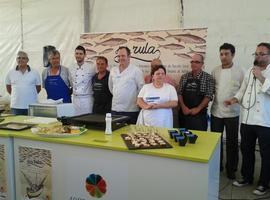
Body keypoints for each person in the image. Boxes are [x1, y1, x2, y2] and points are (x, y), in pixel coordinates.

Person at [225, 43, 270, 195]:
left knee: (266, 154)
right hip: (247, 120)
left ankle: (264, 183)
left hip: (265, 121)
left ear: (269, 56)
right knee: (246, 150)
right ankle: (247, 177)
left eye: (262, 54)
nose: (258, 56)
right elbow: (243, 90)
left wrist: (261, 77)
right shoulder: (250, 71)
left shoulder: (263, 72)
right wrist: (234, 99)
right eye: (256, 53)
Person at [211, 43, 244, 179]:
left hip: (232, 113)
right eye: (221, 54)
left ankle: (231, 169)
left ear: (233, 55)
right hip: (216, 111)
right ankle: (217, 166)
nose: (223, 57)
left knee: (231, 142)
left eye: (226, 54)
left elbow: (243, 91)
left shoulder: (240, 71)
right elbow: (212, 89)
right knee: (216, 142)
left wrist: (234, 100)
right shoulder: (215, 71)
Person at [178, 54, 214, 131]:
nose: (194, 64)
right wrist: (183, 107)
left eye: (197, 62)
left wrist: (198, 109)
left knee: (199, 140)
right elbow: (179, 93)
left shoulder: (208, 78)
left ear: (202, 64)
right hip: (184, 114)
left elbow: (208, 96)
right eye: (192, 62)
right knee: (182, 139)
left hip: (199, 116)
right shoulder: (184, 77)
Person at [108, 46, 144, 124]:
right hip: (115, 109)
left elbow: (141, 90)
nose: (121, 58)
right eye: (119, 56)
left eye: (123, 56)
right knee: (114, 134)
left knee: (129, 134)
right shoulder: (113, 70)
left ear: (129, 56)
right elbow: (111, 88)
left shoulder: (136, 71)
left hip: (131, 110)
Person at [5, 51, 41, 115]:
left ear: (27, 60)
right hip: (16, 106)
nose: (21, 60)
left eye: (23, 58)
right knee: (15, 124)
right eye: (19, 58)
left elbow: (38, 88)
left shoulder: (35, 72)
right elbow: (8, 88)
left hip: (31, 106)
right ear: (16, 60)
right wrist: (17, 95)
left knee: (33, 124)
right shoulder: (10, 73)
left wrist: (27, 94)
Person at [70, 45, 96, 115]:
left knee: (87, 120)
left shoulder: (91, 67)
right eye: (77, 53)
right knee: (75, 121)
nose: (78, 56)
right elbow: (71, 83)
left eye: (81, 54)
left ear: (84, 55)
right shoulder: (71, 67)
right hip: (75, 99)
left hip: (87, 100)